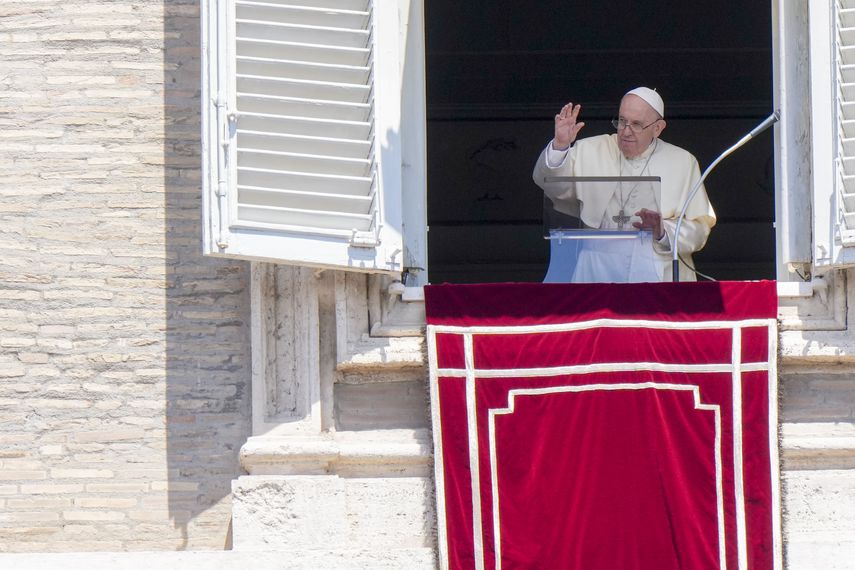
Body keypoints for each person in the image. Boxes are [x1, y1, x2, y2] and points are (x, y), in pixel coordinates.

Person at [532, 87, 716, 282]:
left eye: (637, 124)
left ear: (658, 128)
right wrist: (560, 146)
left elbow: (699, 227)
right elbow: (553, 186)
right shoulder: (590, 149)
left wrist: (662, 231)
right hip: (597, 267)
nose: (626, 132)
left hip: (657, 268)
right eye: (621, 121)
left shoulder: (682, 162)